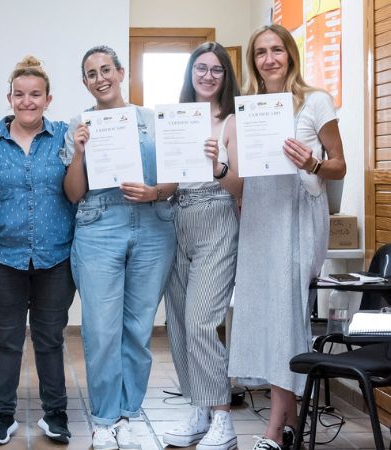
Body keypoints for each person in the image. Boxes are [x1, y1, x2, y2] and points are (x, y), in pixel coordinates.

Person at [227, 24, 346, 450]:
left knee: (284, 316)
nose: (269, 58)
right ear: (253, 60)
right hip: (259, 213)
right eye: (261, 52)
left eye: (277, 50)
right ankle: (293, 422)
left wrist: (313, 163)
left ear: (291, 54)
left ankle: (273, 431)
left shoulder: (315, 100)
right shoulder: (252, 106)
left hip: (296, 215)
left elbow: (340, 166)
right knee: (263, 315)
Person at [63, 45, 177, 450]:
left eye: (106, 69)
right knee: (101, 329)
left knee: (138, 328)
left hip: (153, 226)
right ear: (85, 82)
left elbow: (174, 181)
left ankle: (129, 413)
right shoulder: (78, 124)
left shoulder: (152, 119)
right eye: (91, 73)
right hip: (98, 227)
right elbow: (73, 193)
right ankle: (104, 419)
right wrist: (78, 153)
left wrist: (154, 192)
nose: (100, 78)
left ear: (121, 71)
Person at [0, 56, 76, 446]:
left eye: (35, 95)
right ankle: (2, 416)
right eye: (19, 94)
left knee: (50, 337)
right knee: (7, 339)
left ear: (48, 99)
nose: (27, 101)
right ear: (9, 97)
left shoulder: (67, 136)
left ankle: (56, 416)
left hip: (56, 256)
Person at [161, 42, 242, 450]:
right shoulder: (175, 118)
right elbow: (170, 180)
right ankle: (198, 408)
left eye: (216, 70)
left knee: (201, 321)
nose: (208, 76)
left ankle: (222, 417)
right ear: (190, 73)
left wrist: (219, 166)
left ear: (226, 77)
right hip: (177, 217)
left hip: (216, 215)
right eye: (201, 68)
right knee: (177, 320)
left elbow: (240, 185)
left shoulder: (231, 121)